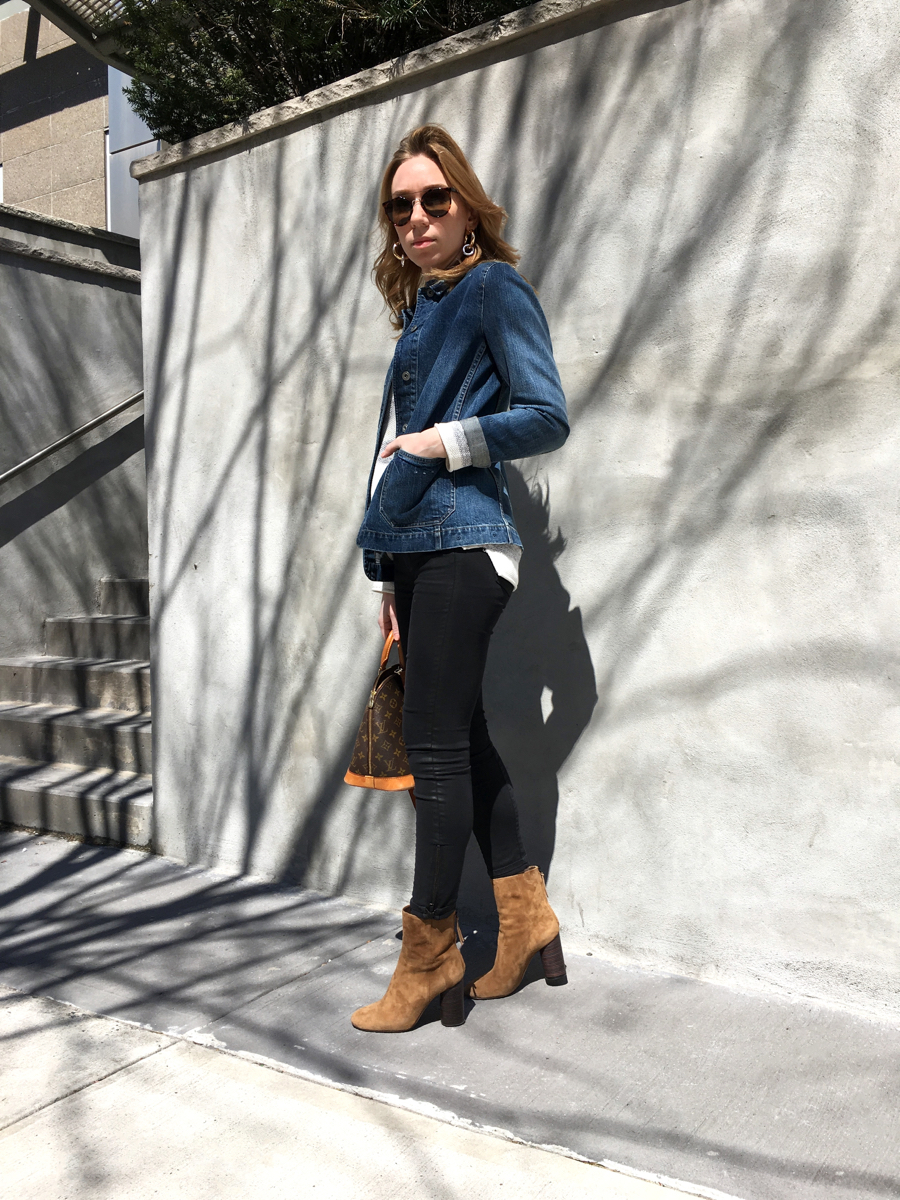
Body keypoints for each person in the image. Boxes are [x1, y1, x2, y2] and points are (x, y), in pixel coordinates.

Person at [351, 125, 570, 1033]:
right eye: (401, 205)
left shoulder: (490, 287)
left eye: (434, 199)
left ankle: (431, 950)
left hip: (465, 543)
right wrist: (384, 583)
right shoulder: (423, 315)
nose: (416, 217)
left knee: (434, 742)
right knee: (466, 739)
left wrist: (446, 441)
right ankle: (524, 920)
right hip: (417, 554)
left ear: (468, 207)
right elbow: (387, 453)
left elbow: (545, 414)